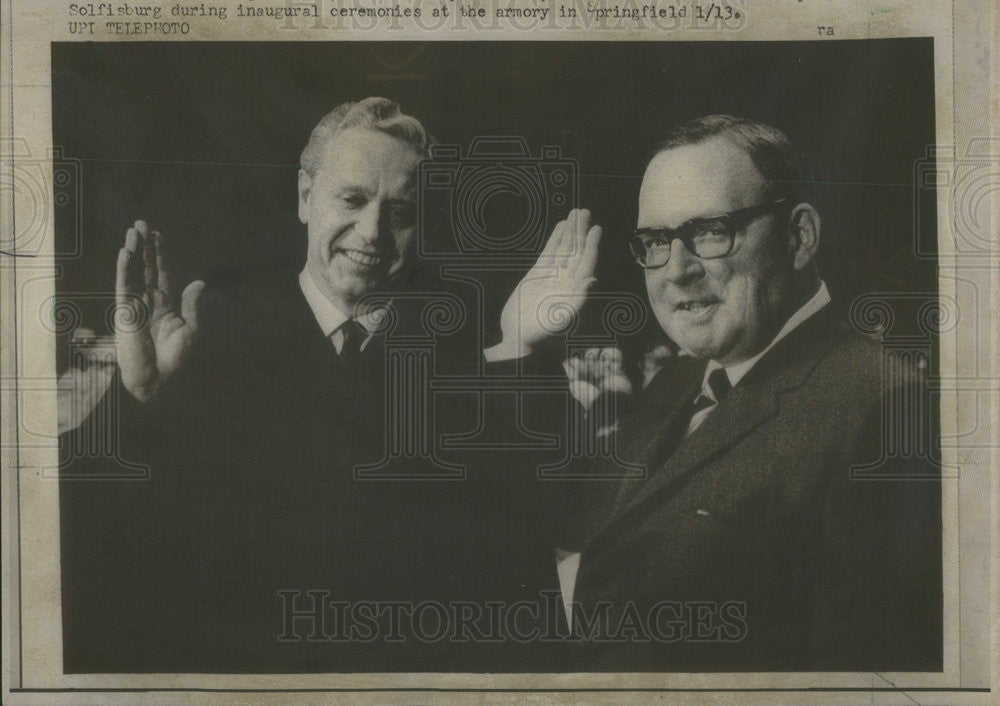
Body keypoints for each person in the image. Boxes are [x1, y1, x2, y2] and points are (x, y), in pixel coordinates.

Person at [59, 97, 602, 672]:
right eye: (352, 198)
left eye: (400, 211)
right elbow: (79, 544)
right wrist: (138, 396)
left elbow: (559, 518)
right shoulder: (206, 339)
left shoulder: (467, 350)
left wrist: (521, 349)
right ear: (304, 197)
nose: (371, 232)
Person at [555, 115, 942, 671]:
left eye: (711, 231)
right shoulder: (677, 384)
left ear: (799, 236)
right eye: (656, 242)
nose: (677, 272)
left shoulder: (886, 405)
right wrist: (517, 346)